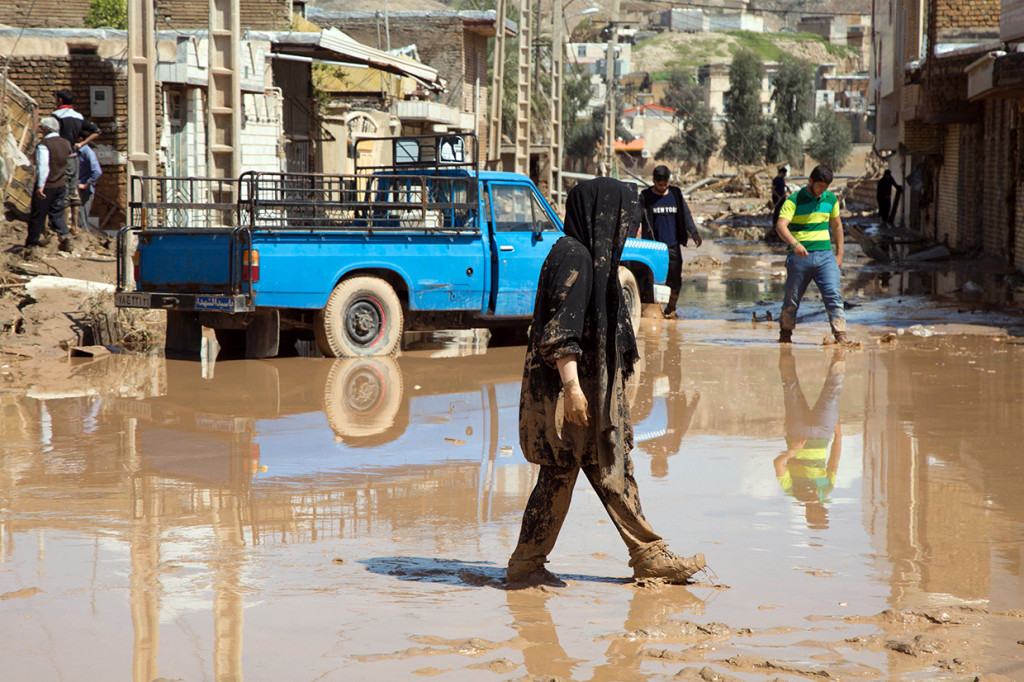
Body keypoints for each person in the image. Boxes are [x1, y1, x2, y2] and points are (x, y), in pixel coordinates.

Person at [507, 177, 707, 587]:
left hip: (589, 391)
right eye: (624, 218)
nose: (629, 228)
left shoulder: (589, 257)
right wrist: (574, 391)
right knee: (589, 468)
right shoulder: (575, 257)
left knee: (600, 469)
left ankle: (640, 554)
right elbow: (562, 333)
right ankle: (533, 562)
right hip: (575, 395)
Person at [774, 164, 848, 345]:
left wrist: (839, 254)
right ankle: (785, 336)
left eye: (825, 187)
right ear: (810, 181)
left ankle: (841, 335)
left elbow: (837, 226)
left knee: (833, 295)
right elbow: (780, 226)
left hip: (825, 257)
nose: (822, 191)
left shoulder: (830, 199)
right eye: (819, 186)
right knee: (792, 299)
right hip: (799, 258)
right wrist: (794, 244)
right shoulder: (794, 200)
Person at [774, 346, 844, 530]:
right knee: (832, 394)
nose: (819, 508)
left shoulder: (792, 490)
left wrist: (793, 451)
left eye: (816, 513)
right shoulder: (825, 490)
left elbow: (778, 464)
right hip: (822, 433)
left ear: (807, 512)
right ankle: (840, 354)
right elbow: (834, 461)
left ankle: (785, 347)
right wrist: (838, 435)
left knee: (790, 387)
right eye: (822, 511)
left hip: (797, 433)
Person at [637, 165, 702, 319]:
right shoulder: (645, 197)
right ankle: (651, 311)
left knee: (675, 280)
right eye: (660, 184)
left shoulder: (675, 194)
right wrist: (630, 238)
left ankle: (671, 309)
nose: (663, 187)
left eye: (665, 184)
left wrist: (694, 233)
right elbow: (635, 220)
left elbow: (686, 215)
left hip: (673, 245)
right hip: (652, 247)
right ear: (653, 181)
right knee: (650, 280)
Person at [52, 89, 100, 232]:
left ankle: (64, 224)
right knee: (74, 190)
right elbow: (97, 131)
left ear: (60, 100)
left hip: (60, 157)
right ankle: (74, 226)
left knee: (63, 191)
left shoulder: (56, 116)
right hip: (74, 157)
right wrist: (81, 144)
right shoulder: (78, 116)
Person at [26, 117, 73, 254]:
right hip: (61, 184)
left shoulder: (44, 144)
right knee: (56, 214)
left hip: (47, 185)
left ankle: (31, 246)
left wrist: (40, 186)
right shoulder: (66, 143)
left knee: (38, 216)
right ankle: (65, 236)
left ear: (46, 129)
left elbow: (43, 166)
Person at [76, 142, 103, 233]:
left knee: (82, 217)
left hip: (84, 190)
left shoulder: (87, 152)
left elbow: (97, 171)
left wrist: (86, 184)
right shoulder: (76, 151)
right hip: (77, 188)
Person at [770, 166, 788, 237]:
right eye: (784, 173)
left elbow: (783, 186)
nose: (785, 175)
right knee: (777, 209)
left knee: (783, 208)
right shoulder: (776, 179)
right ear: (781, 173)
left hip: (782, 197)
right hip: (777, 197)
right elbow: (773, 189)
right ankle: (775, 223)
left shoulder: (782, 179)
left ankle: (782, 221)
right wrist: (778, 196)